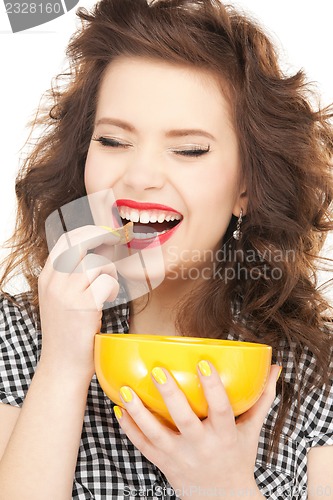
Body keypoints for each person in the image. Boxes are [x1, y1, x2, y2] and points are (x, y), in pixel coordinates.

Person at [0, 0, 332, 498]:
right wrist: (63, 366)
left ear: (246, 187)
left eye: (189, 149)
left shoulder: (313, 376)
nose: (138, 177)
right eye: (112, 140)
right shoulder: (16, 340)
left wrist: (223, 487)